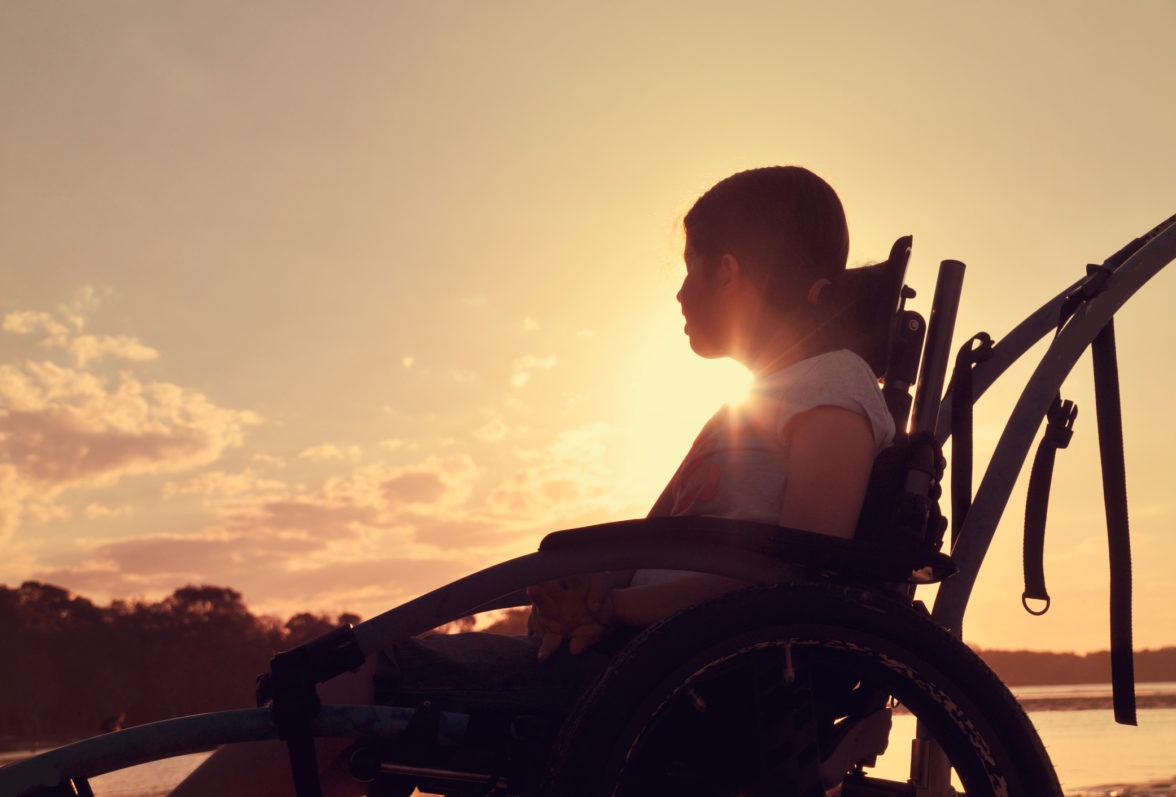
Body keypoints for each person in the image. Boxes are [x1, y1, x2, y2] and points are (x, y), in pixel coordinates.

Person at [170, 165, 895, 796]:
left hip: (684, 691)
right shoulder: (763, 400)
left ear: (730, 271)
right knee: (344, 693)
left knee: (348, 682)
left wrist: (614, 609)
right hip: (638, 670)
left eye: (690, 264)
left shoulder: (833, 383)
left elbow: (805, 574)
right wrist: (576, 596)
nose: (678, 293)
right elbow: (669, 550)